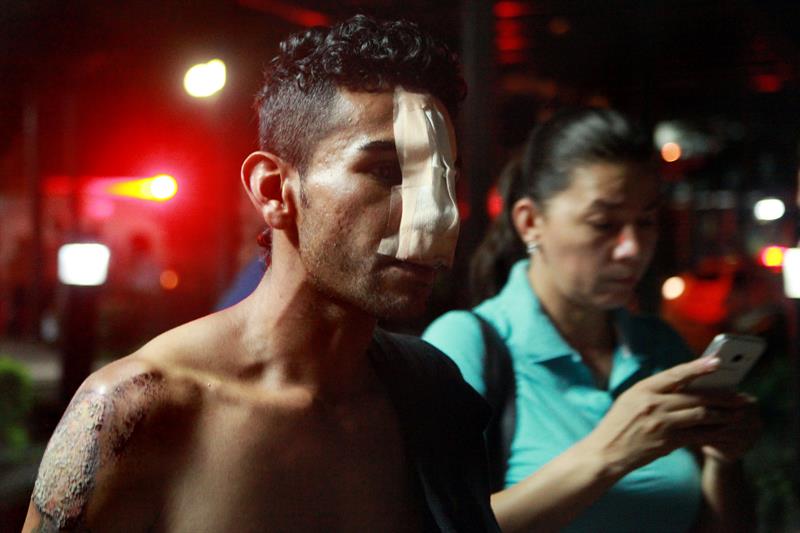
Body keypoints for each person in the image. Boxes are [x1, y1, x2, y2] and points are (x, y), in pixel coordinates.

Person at [22, 15, 499, 532]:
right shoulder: (138, 411)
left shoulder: (432, 394)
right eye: (385, 172)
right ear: (274, 191)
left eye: (445, 181)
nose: (436, 217)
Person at [423, 108, 760, 532]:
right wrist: (609, 453)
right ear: (530, 222)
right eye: (604, 224)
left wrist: (723, 460)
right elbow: (435, 523)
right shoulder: (466, 344)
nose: (632, 248)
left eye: (646, 222)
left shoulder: (660, 347)